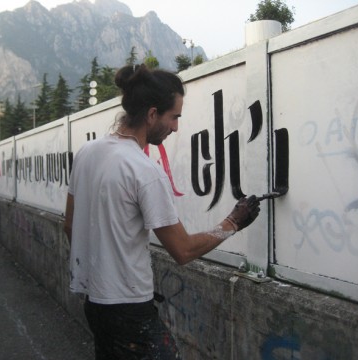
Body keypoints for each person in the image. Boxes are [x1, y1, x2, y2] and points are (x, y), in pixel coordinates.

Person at [64, 64, 260, 359]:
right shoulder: (144, 171)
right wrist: (232, 222)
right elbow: (182, 251)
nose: (177, 127)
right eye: (174, 117)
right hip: (129, 310)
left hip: (94, 303)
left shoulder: (87, 153)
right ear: (152, 114)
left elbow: (70, 226)